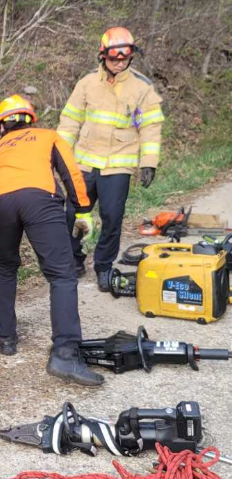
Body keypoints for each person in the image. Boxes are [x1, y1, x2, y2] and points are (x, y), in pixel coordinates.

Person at [0, 95, 103, 386]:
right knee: (61, 274)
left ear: (1, 126)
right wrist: (83, 209)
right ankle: (65, 354)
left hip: (0, 205)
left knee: (6, 267)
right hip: (39, 199)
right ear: (30, 119)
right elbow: (70, 172)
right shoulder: (48, 136)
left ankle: (6, 340)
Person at [58, 27, 164, 291]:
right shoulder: (86, 84)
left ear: (131, 56)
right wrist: (59, 154)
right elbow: (70, 121)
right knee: (73, 215)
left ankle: (104, 267)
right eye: (114, 57)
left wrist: (148, 162)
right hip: (84, 163)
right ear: (102, 56)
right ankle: (74, 260)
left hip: (118, 165)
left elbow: (150, 127)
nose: (119, 61)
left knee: (112, 217)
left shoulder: (142, 88)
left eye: (124, 57)